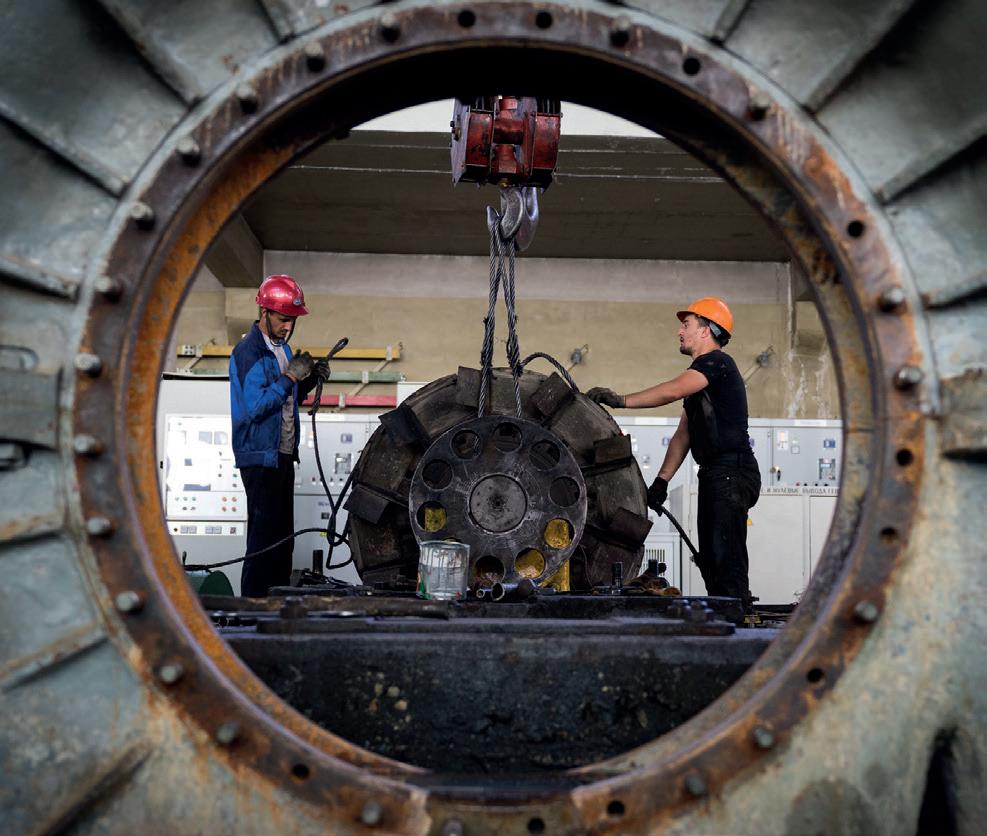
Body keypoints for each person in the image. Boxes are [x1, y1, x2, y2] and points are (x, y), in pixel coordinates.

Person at [587, 297, 760, 603]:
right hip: (717, 475)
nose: (680, 331)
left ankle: (735, 614)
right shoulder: (702, 381)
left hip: (732, 472)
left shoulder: (717, 363)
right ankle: (725, 612)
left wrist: (621, 400)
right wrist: (661, 481)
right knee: (711, 557)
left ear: (706, 330)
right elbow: (683, 435)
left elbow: (672, 390)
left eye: (686, 324)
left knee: (725, 555)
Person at [229, 274, 330, 596]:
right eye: (283, 319)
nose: (288, 326)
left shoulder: (281, 350)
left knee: (282, 541)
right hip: (260, 458)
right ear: (265, 312)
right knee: (263, 543)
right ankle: (253, 608)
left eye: (292, 320)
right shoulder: (248, 352)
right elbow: (256, 407)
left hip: (282, 455)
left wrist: (309, 380)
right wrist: (290, 378)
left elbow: (286, 400)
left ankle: (276, 604)